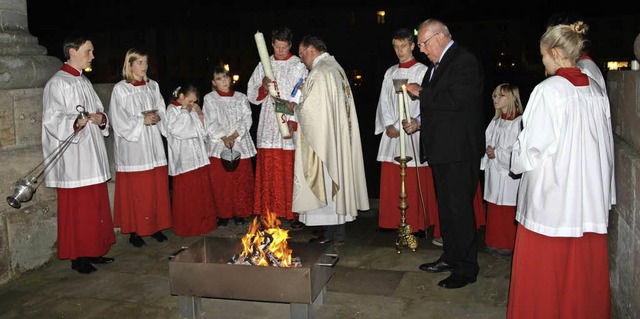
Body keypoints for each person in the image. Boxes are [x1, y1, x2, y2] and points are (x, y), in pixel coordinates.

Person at [507, 21, 615, 318]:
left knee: (546, 271)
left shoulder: (549, 91)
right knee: (582, 271)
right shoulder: (595, 90)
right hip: (587, 199)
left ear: (555, 53)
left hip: (552, 199)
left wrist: (514, 159)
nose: (541, 62)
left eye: (542, 55)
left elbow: (530, 148)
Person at [405, 19, 485, 289]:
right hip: (442, 150)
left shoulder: (463, 61)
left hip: (459, 151)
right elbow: (439, 110)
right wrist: (419, 123)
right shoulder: (436, 67)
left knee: (460, 209)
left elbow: (457, 101)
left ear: (440, 37)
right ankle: (451, 256)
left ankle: (466, 268)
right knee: (447, 210)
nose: (422, 50)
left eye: (424, 44)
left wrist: (422, 92)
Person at [41, 35, 115, 274]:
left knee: (95, 205)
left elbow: (99, 109)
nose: (92, 56)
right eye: (88, 51)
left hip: (91, 153)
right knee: (80, 208)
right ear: (72, 51)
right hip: (75, 158)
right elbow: (52, 120)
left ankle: (95, 250)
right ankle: (78, 256)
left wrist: (100, 118)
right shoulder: (57, 83)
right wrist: (75, 122)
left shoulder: (83, 81)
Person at [291, 35, 370, 245]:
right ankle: (331, 230)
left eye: (301, 54)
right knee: (336, 179)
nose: (301, 60)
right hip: (337, 136)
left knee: (327, 178)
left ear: (310, 50)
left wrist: (295, 107)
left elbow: (311, 111)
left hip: (326, 140)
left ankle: (333, 234)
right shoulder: (335, 68)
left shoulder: (321, 72)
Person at [373, 28, 437, 239]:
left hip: (412, 132)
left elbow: (425, 102)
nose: (399, 51)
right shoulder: (390, 72)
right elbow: (384, 101)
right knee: (392, 176)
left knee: (413, 174)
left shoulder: (422, 71)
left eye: (403, 46)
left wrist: (405, 125)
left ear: (412, 46)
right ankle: (392, 222)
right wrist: (389, 125)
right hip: (392, 132)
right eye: (395, 47)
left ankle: (416, 224)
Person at [109, 48, 172, 248]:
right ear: (130, 65)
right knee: (137, 190)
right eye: (139, 63)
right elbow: (118, 118)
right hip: (134, 147)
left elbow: (161, 108)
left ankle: (155, 227)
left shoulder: (153, 86)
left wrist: (158, 117)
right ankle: (135, 231)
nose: (144, 67)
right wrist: (141, 120)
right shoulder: (121, 89)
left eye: (145, 62)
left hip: (153, 143)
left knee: (155, 188)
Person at [247, 26, 308, 230]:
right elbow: (251, 95)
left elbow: (303, 93)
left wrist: (294, 120)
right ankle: (269, 213)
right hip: (268, 123)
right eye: (277, 47)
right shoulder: (264, 64)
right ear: (271, 44)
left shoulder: (298, 65)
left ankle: (293, 213)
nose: (280, 51)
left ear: (290, 45)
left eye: (284, 47)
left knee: (289, 171)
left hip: (290, 121)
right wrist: (263, 87)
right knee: (269, 171)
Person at [203, 66, 257, 226]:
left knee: (240, 180)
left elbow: (246, 118)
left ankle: (240, 212)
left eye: (226, 77)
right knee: (221, 182)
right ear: (214, 82)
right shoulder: (210, 98)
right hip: (219, 143)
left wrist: (234, 136)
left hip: (239, 142)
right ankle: (223, 214)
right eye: (219, 78)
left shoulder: (241, 97)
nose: (224, 81)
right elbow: (210, 120)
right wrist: (224, 138)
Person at [165, 84, 217, 236]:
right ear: (181, 97)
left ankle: (204, 224)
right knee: (188, 196)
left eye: (195, 102)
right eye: (190, 101)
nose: (192, 105)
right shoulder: (172, 110)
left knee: (201, 194)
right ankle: (188, 227)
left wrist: (200, 115)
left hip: (199, 158)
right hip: (184, 160)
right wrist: (184, 111)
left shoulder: (191, 109)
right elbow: (177, 131)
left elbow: (203, 132)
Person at [480, 83, 523, 256]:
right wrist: (488, 149)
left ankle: (508, 244)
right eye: (494, 96)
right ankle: (493, 241)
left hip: (508, 175)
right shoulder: (496, 121)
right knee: (494, 207)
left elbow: (518, 150)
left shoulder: (519, 122)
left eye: (500, 96)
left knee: (507, 208)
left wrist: (497, 153)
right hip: (494, 172)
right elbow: (487, 139)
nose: (495, 99)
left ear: (512, 98)